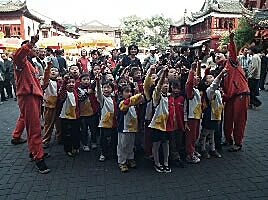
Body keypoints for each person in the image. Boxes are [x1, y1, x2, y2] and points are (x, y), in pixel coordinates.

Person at [11, 36, 50, 174]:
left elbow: (40, 82)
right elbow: (17, 55)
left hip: (34, 97)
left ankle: (34, 151)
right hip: (28, 97)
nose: (36, 49)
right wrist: (30, 43)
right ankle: (39, 158)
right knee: (34, 128)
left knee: (31, 126)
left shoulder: (31, 64)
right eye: (34, 48)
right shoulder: (21, 62)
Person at [216, 32, 250, 152]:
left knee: (239, 120)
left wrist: (231, 39)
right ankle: (228, 139)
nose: (218, 56)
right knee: (228, 119)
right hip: (230, 97)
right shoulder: (220, 71)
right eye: (216, 55)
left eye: (220, 54)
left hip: (241, 93)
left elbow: (233, 51)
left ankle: (238, 143)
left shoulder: (232, 61)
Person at [58, 73, 89, 157]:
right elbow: (62, 91)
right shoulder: (64, 93)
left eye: (72, 82)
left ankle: (76, 146)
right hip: (66, 117)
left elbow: (81, 99)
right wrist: (64, 82)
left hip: (76, 116)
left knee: (76, 133)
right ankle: (68, 149)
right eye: (69, 82)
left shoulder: (77, 91)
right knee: (67, 134)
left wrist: (87, 93)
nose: (71, 84)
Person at [149, 66, 173, 173]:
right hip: (157, 125)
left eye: (167, 83)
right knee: (156, 144)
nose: (166, 85)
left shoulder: (170, 96)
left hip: (168, 124)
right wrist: (163, 74)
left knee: (166, 143)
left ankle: (166, 162)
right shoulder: (157, 97)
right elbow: (158, 87)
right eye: (164, 83)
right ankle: (157, 162)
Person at [199, 70, 227, 159]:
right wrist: (220, 74)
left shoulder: (218, 91)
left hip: (216, 115)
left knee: (212, 132)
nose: (213, 78)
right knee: (205, 132)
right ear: (207, 83)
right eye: (210, 78)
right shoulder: (209, 91)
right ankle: (202, 148)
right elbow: (215, 83)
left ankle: (212, 149)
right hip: (209, 115)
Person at [117, 84, 144, 172]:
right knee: (122, 145)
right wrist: (137, 96)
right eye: (126, 92)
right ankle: (122, 161)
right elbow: (125, 105)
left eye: (130, 92)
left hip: (132, 128)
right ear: (121, 94)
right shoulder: (121, 102)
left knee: (131, 144)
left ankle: (130, 158)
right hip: (123, 128)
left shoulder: (134, 103)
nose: (129, 94)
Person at [96, 73, 117, 162]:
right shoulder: (102, 99)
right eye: (104, 87)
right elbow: (99, 92)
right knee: (104, 139)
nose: (106, 89)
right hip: (105, 123)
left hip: (114, 122)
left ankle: (113, 152)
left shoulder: (114, 98)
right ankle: (103, 153)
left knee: (114, 139)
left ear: (112, 90)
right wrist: (98, 81)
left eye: (108, 87)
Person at [184, 62, 202, 164]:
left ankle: (193, 150)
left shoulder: (196, 90)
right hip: (191, 117)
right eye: (194, 77)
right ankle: (189, 154)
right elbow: (189, 83)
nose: (196, 78)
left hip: (197, 116)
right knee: (190, 137)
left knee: (195, 135)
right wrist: (192, 70)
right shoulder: (189, 91)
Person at [41, 63, 61, 148]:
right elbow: (45, 77)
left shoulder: (60, 82)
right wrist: (48, 68)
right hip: (49, 106)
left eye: (56, 71)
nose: (53, 72)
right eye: (52, 70)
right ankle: (46, 140)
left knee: (59, 124)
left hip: (59, 106)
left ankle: (59, 138)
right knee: (48, 124)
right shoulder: (47, 81)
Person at [78, 73, 99, 151]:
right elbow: (80, 99)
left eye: (88, 79)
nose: (86, 81)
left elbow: (95, 84)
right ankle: (85, 144)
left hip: (92, 113)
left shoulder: (92, 88)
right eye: (84, 79)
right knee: (84, 130)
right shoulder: (78, 90)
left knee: (93, 129)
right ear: (80, 81)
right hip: (83, 114)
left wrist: (97, 78)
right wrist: (87, 93)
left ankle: (94, 142)